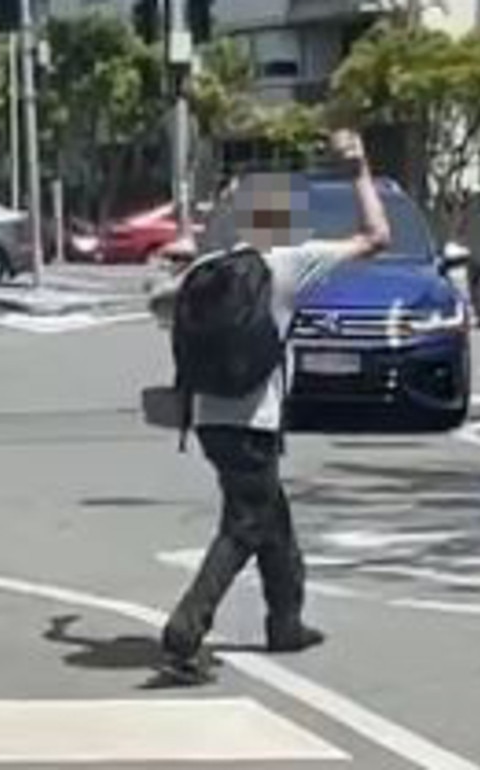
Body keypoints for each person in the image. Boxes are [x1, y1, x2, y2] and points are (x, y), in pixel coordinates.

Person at [147, 129, 391, 683]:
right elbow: (377, 236)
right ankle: (184, 632)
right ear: (289, 220)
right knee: (245, 525)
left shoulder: (206, 271)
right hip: (254, 421)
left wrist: (183, 258)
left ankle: (286, 622)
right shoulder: (288, 265)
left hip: (210, 420)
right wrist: (358, 169)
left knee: (271, 521)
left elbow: (158, 305)